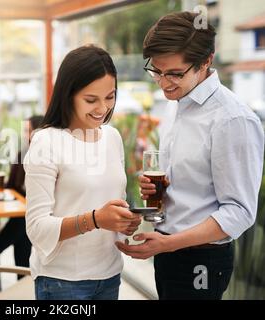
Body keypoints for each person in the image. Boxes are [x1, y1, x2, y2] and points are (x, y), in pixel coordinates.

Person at [116, 11, 264, 300]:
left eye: (174, 73)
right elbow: (196, 182)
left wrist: (168, 245)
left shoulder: (232, 120)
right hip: (168, 251)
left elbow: (240, 212)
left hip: (201, 261)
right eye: (156, 70)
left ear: (206, 61)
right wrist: (162, 186)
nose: (163, 82)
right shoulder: (179, 102)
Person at [24, 45, 142, 300]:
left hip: (109, 275)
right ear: (69, 94)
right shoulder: (46, 141)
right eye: (91, 100)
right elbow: (36, 228)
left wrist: (125, 221)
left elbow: (111, 204)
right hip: (63, 282)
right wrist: (96, 219)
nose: (103, 108)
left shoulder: (112, 137)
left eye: (110, 97)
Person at [0, 115, 44, 276]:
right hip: (22, 208)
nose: (25, 135)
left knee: (22, 223)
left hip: (42, 211)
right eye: (25, 131)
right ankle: (20, 277)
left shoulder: (47, 156)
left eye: (29, 131)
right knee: (21, 229)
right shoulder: (22, 153)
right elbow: (11, 186)